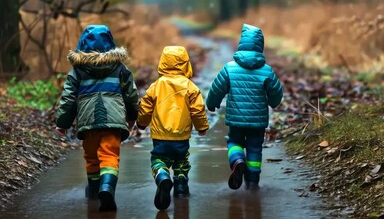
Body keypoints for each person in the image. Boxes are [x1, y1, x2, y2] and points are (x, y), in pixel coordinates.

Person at [55, 25, 139, 211]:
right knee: (110, 156)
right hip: (113, 122)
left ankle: (93, 190)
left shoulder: (77, 71)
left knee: (92, 158)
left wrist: (63, 123)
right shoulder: (120, 69)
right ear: (110, 43)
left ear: (83, 44)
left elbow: (68, 98)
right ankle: (107, 188)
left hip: (88, 123)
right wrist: (133, 116)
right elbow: (131, 94)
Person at [206, 24, 283, 190]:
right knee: (255, 148)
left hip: (236, 119)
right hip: (258, 121)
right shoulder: (267, 71)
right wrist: (273, 102)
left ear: (241, 44)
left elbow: (216, 88)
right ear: (260, 47)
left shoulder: (229, 68)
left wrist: (212, 104)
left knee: (234, 141)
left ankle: (237, 160)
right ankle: (252, 181)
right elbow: (276, 91)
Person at [137, 46, 209, 210]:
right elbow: (197, 110)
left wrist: (141, 123)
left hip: (160, 136)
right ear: (185, 64)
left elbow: (146, 106)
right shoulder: (190, 87)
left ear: (163, 62)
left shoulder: (156, 85)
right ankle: (181, 188)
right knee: (181, 161)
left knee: (158, 159)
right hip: (181, 136)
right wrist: (202, 127)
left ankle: (162, 176)